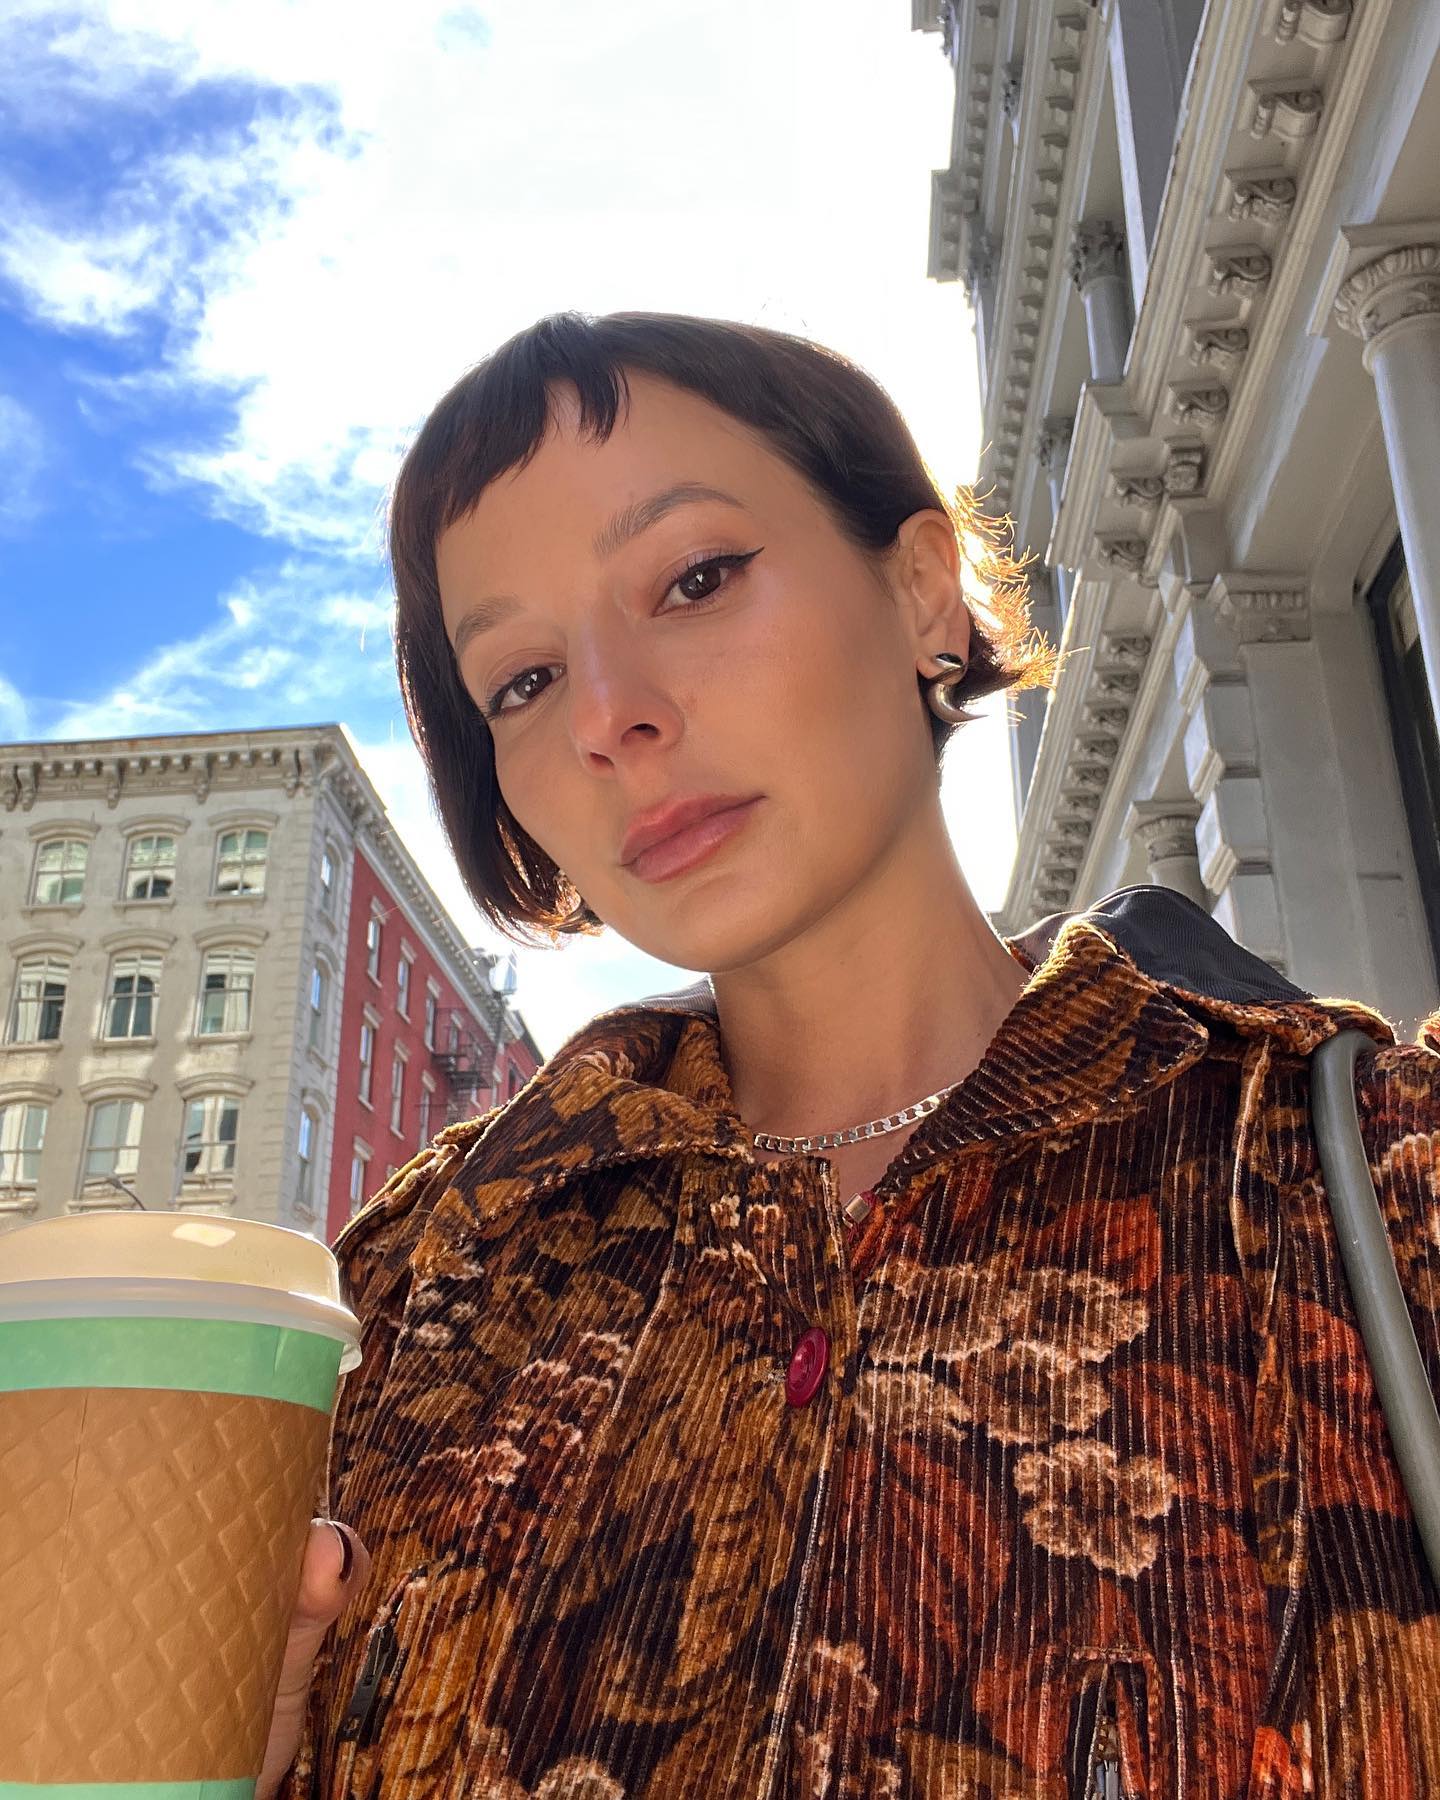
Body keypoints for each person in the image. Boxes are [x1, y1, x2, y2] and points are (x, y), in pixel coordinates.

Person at [262, 312, 1440, 1800]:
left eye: (696, 578)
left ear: (922, 589)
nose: (614, 717)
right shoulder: (403, 1297)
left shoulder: (1374, 1189)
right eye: (524, 681)